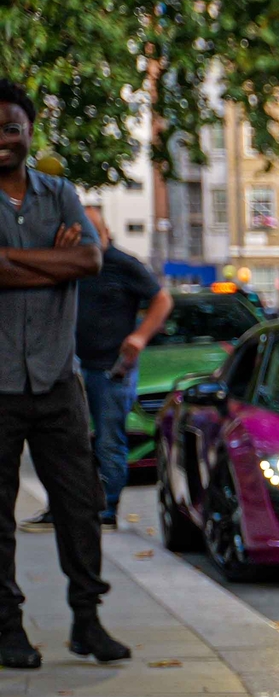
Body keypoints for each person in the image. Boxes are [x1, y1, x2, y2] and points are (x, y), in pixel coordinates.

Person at [0, 81, 127, 667]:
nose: (3, 138)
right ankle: (7, 629)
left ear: (28, 132)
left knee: (79, 504)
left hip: (57, 380)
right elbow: (69, 264)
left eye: (11, 127)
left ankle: (87, 621)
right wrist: (55, 264)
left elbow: (90, 259)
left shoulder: (60, 193)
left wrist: (14, 262)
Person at [64, 205, 170, 528]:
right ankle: (71, 504)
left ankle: (107, 509)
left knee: (110, 440)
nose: (87, 237)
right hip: (72, 367)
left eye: (92, 231)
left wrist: (139, 336)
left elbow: (163, 299)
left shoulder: (123, 265)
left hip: (112, 370)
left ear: (106, 232)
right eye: (81, 231)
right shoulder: (72, 264)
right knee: (68, 442)